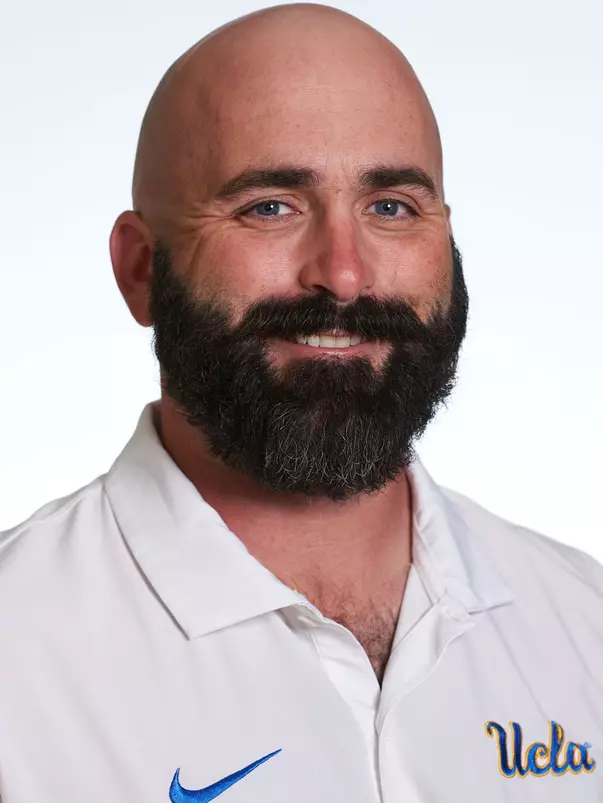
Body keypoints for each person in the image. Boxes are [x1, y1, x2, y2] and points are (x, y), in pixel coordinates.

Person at [0, 4, 601, 801]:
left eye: (390, 206)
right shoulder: (19, 655)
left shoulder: (583, 623)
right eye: (269, 206)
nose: (343, 275)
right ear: (141, 269)